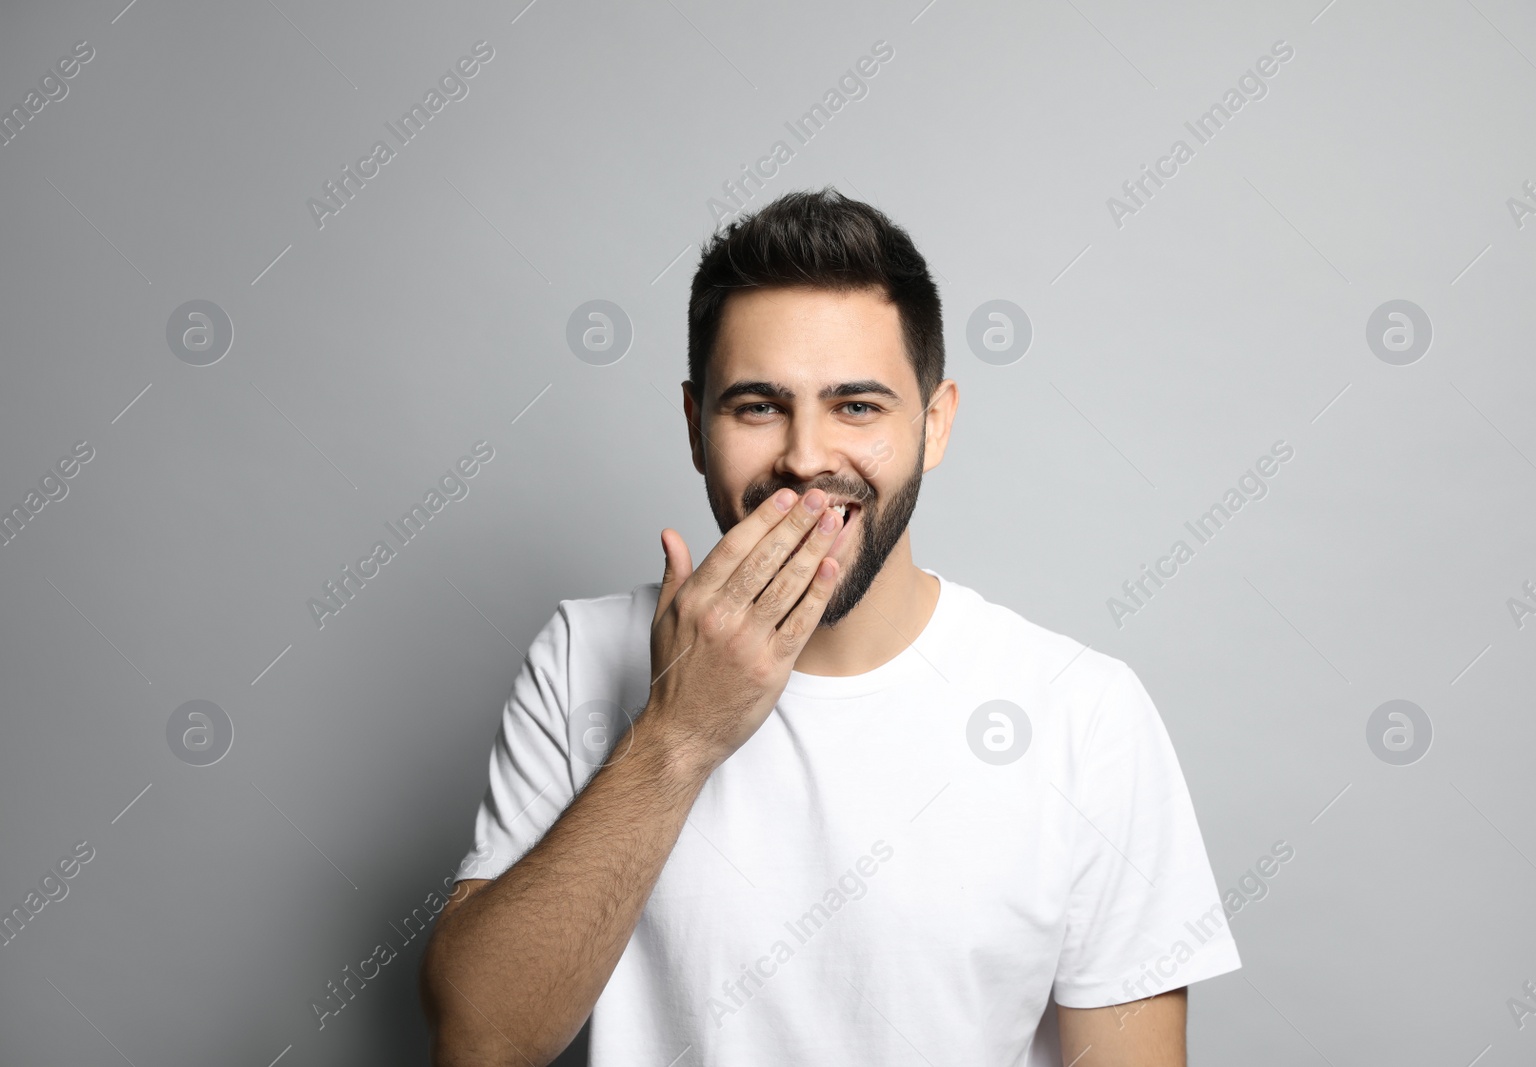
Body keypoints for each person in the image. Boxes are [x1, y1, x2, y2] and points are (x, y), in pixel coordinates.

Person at [420, 187, 1240, 1066]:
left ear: (934, 425)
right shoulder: (585, 657)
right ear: (696, 426)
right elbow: (480, 1040)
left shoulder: (1087, 714)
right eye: (758, 406)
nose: (806, 458)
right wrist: (677, 734)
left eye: (856, 406)